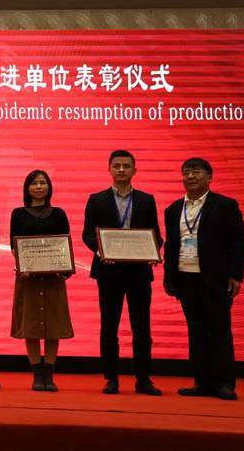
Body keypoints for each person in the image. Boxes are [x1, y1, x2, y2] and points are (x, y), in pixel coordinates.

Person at [163, 158, 244, 401]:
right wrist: (169, 277)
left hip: (216, 279)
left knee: (219, 331)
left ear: (209, 177)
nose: (190, 176)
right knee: (196, 331)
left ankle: (224, 384)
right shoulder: (173, 209)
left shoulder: (225, 205)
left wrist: (235, 275)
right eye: (186, 173)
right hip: (185, 278)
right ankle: (202, 382)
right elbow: (171, 246)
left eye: (196, 172)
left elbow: (238, 242)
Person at [82, 150, 163, 396]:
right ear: (109, 169)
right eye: (116, 165)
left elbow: (156, 235)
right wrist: (101, 250)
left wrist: (152, 251)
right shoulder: (96, 200)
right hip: (109, 272)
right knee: (109, 328)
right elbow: (87, 234)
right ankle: (111, 379)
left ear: (134, 170)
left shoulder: (147, 200)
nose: (121, 170)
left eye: (126, 166)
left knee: (142, 328)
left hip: (138, 273)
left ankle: (143, 380)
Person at [9, 170, 74, 391]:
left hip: (54, 279)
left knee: (54, 327)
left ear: (49, 187)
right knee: (31, 327)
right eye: (34, 183)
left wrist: (64, 269)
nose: (38, 187)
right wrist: (23, 266)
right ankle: (37, 375)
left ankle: (50, 375)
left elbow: (65, 244)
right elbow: (14, 245)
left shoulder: (59, 213)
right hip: (28, 279)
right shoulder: (18, 214)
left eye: (43, 182)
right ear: (27, 188)